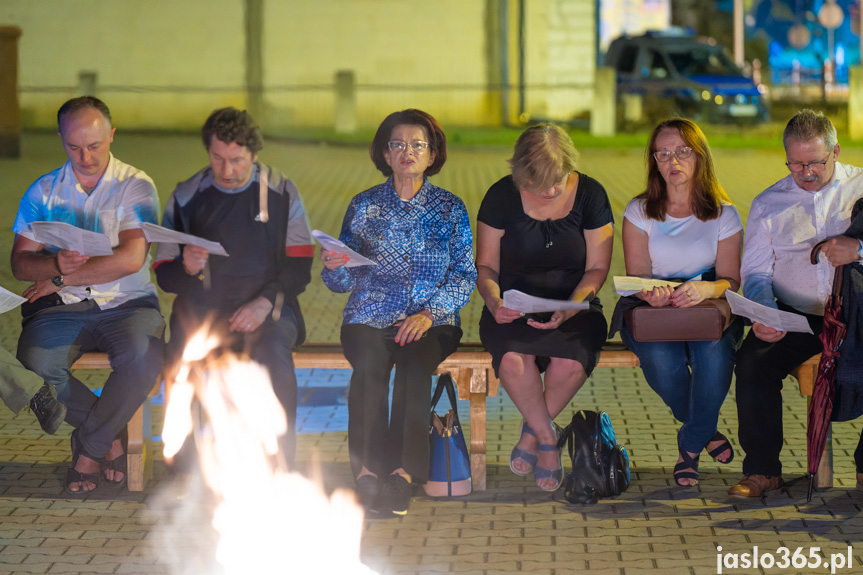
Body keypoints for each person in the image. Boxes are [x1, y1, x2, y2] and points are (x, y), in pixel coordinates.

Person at [321, 109, 476, 516]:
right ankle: (368, 473)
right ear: (385, 154)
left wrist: (431, 312)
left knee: (413, 366)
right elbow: (341, 282)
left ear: (432, 155)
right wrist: (334, 268)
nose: (408, 151)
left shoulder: (450, 208)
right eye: (398, 144)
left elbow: (465, 274)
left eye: (418, 145)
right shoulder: (364, 206)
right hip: (369, 314)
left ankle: (403, 475)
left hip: (432, 320)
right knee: (369, 366)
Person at [11, 96, 165, 494]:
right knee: (35, 360)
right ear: (61, 139)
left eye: (95, 145)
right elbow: (20, 264)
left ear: (111, 135)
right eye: (74, 146)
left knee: (144, 355)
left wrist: (62, 277)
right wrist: (54, 266)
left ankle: (89, 447)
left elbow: (132, 259)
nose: (86, 156)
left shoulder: (135, 185)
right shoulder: (43, 191)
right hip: (65, 309)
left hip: (128, 304)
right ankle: (107, 438)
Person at [153, 107, 314, 465]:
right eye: (217, 158)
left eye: (237, 160)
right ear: (208, 151)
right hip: (203, 313)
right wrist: (186, 267)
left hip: (267, 310)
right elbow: (164, 275)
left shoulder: (282, 192)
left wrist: (265, 302)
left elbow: (300, 266)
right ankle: (184, 463)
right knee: (180, 360)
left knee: (274, 358)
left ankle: (280, 463)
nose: (227, 171)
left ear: (254, 155)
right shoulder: (185, 196)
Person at [729, 109, 863, 497]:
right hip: (795, 316)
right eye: (795, 163)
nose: (805, 172)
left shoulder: (860, 188)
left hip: (856, 316)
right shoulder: (768, 202)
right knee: (752, 362)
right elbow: (755, 271)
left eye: (815, 163)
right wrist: (762, 312)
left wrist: (858, 249)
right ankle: (762, 469)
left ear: (836, 151)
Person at [476, 123, 613, 492]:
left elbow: (598, 268)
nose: (551, 190)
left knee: (570, 360)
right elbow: (486, 267)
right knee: (512, 359)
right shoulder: (500, 196)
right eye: (539, 184)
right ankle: (549, 441)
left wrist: (571, 307)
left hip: (575, 306)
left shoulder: (591, 195)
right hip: (513, 308)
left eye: (559, 180)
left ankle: (532, 435)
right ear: (520, 173)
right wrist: (494, 301)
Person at [609, 118, 744, 487]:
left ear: (700, 157)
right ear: (654, 161)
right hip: (653, 311)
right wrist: (649, 293)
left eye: (683, 151)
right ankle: (704, 430)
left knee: (714, 358)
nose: (674, 161)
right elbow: (637, 274)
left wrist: (704, 290)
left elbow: (732, 281)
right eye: (664, 153)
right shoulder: (639, 210)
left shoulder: (724, 213)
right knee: (661, 362)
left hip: (708, 307)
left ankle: (689, 447)